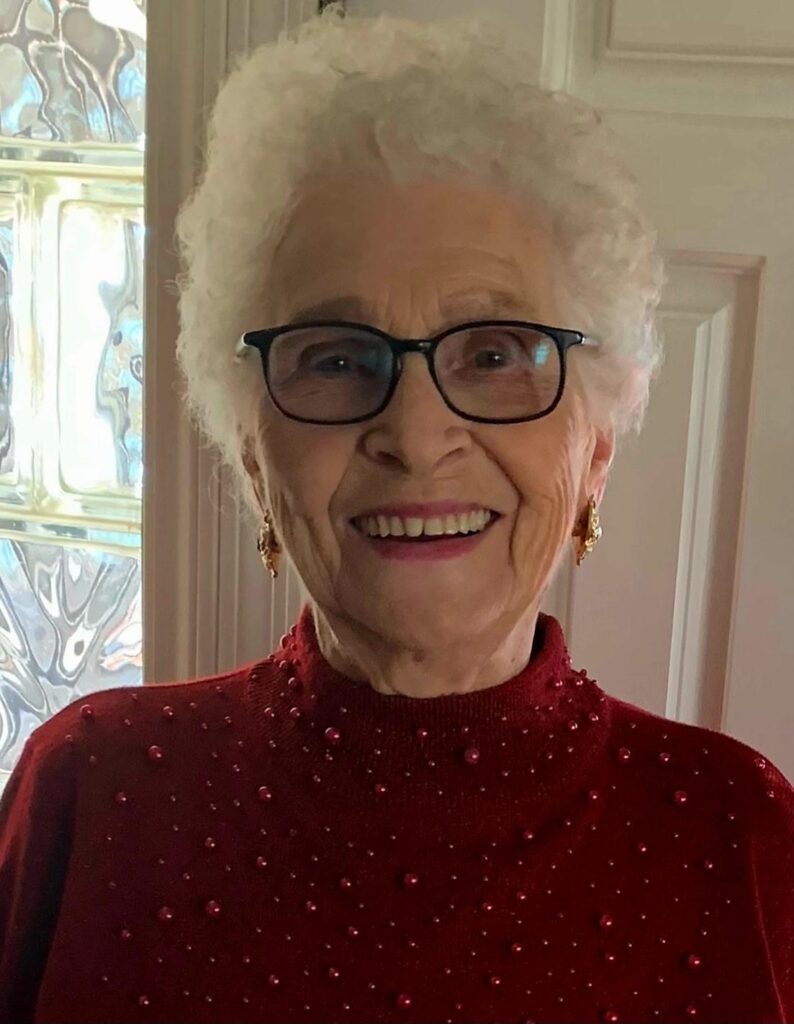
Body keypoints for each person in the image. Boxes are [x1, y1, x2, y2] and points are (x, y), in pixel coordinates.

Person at [1, 6, 791, 1023]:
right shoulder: (89, 794)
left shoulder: (736, 835)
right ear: (252, 451)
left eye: (495, 352)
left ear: (593, 448)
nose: (415, 435)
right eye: (336, 357)